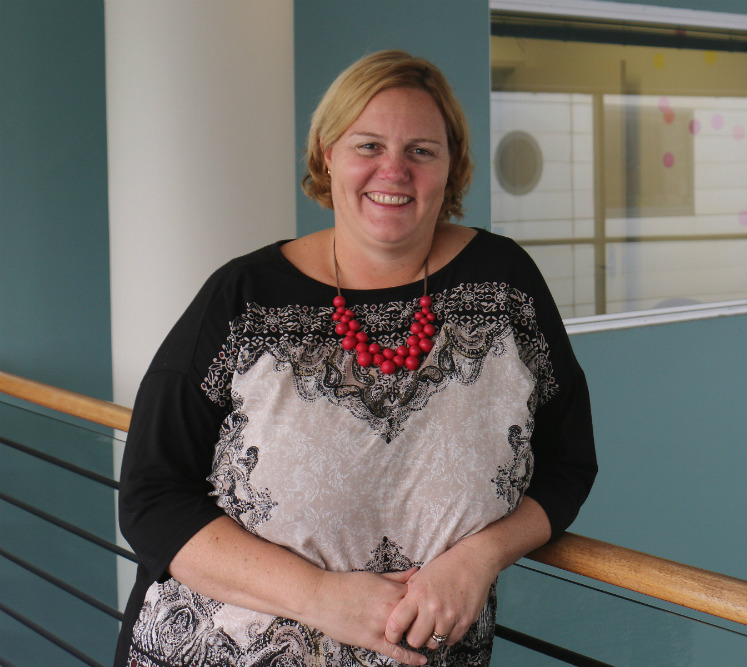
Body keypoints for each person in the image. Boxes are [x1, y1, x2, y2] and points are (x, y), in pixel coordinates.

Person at [115, 49, 597, 667]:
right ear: (326, 155)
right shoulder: (242, 299)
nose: (393, 170)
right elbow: (152, 499)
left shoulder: (507, 288)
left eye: (421, 150)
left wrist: (481, 557)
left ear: (452, 167)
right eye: (367, 146)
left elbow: (568, 465)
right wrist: (319, 597)